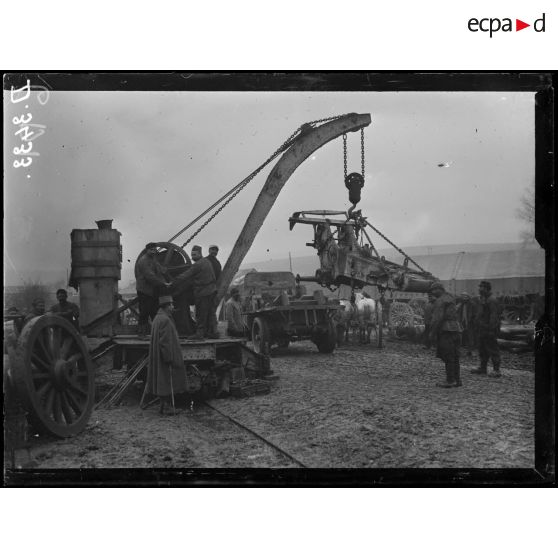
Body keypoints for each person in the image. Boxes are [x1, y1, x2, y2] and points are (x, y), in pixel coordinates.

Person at [145, 295, 187, 415]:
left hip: (158, 356)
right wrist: (169, 357)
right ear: (166, 306)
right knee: (168, 381)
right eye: (171, 305)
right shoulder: (166, 320)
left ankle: (164, 406)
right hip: (165, 356)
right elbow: (165, 342)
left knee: (162, 382)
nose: (173, 307)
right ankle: (168, 407)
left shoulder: (157, 318)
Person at [173, 245, 218, 340]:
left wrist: (173, 282)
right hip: (211, 291)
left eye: (194, 255)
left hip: (203, 292)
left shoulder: (198, 264)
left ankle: (199, 334)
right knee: (210, 313)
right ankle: (213, 333)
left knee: (201, 313)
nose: (192, 257)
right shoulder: (207, 262)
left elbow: (186, 275)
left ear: (200, 254)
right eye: (191, 255)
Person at [429, 282, 462, 388]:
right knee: (455, 356)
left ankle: (450, 380)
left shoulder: (440, 301)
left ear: (439, 289)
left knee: (448, 356)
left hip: (446, 330)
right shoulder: (450, 297)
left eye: (434, 290)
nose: (433, 293)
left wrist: (432, 334)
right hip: (456, 329)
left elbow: (437, 319)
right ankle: (457, 380)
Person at [135, 242, 171, 336]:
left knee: (153, 311)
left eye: (155, 250)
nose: (154, 251)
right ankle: (141, 334)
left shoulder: (152, 259)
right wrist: (163, 283)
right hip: (144, 290)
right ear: (147, 250)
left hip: (152, 290)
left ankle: (156, 333)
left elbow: (159, 269)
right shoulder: (143, 261)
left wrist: (164, 271)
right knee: (144, 312)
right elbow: (150, 276)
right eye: (151, 250)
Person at [471, 280, 502, 378]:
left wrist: (491, 329)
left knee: (493, 349)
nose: (479, 289)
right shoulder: (483, 299)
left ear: (486, 289)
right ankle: (482, 368)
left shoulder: (491, 300)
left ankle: (496, 370)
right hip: (482, 329)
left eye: (482, 287)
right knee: (482, 348)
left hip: (489, 329)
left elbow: (494, 316)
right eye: (479, 287)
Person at [456, 292, 477, 356]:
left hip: (470, 322)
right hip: (462, 322)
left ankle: (471, 350)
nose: (464, 298)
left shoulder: (472, 304)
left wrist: (473, 321)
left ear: (468, 297)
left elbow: (475, 314)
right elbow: (457, 311)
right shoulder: (460, 304)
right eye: (462, 297)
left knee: (470, 336)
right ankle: (465, 350)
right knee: (463, 336)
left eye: (465, 296)